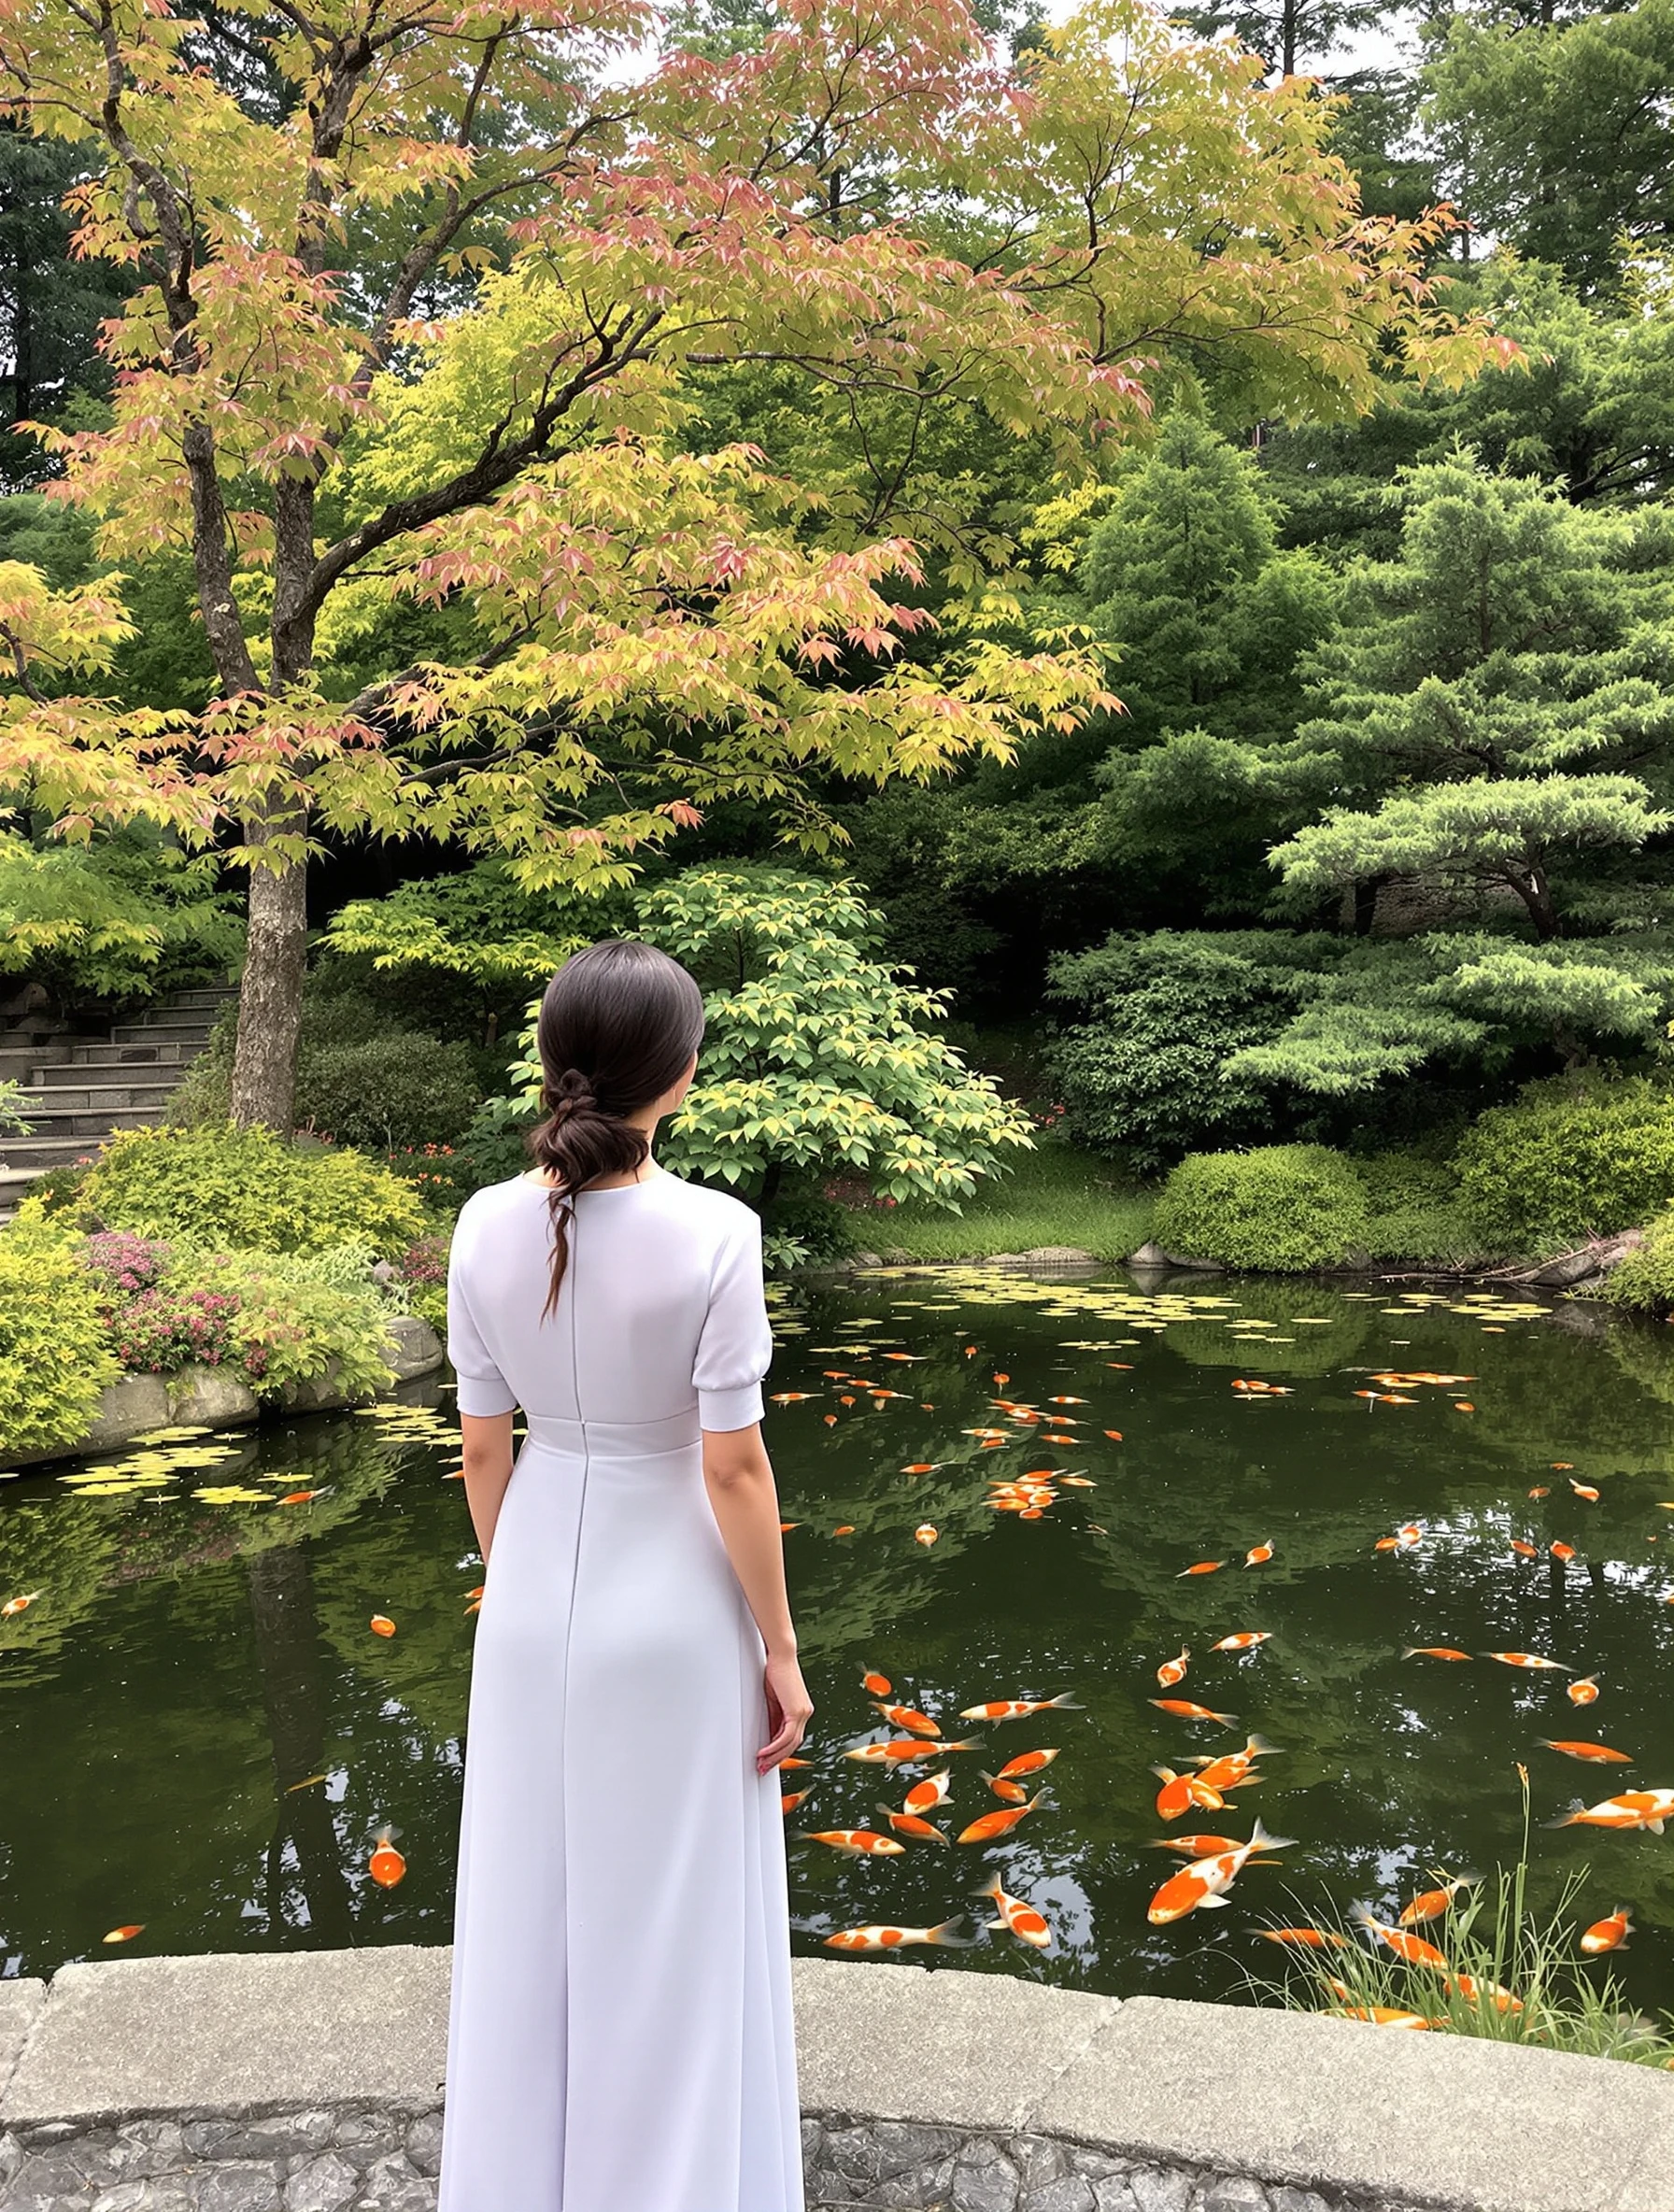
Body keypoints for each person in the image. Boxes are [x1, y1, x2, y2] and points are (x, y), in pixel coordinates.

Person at [436, 939, 811, 2212]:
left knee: (532, 1912)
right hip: (676, 1611)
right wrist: (782, 1650)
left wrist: (529, 1587)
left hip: (534, 1596)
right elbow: (736, 1471)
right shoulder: (717, 1232)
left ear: (557, 1067)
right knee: (672, 1926)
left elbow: (486, 1447)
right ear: (683, 1077)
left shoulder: (483, 1222)